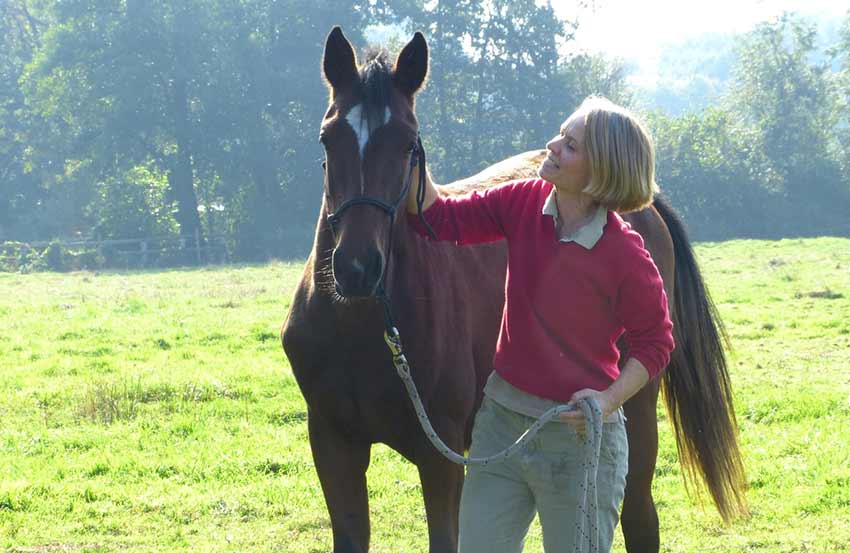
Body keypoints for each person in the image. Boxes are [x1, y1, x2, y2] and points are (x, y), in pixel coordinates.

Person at [406, 96, 675, 553]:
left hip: (580, 440)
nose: (550, 145)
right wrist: (407, 145)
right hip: (500, 426)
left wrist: (608, 399)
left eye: (569, 145)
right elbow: (441, 218)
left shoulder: (627, 256)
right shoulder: (524, 201)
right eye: (560, 134)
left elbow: (655, 343)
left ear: (601, 171)